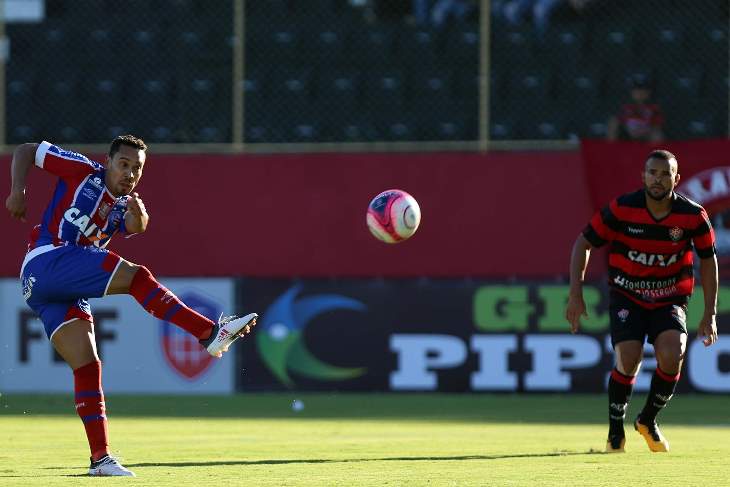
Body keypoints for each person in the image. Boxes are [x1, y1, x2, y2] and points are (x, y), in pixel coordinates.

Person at [5, 136, 258, 477]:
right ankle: (208, 333)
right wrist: (18, 190)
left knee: (87, 365)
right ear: (108, 162)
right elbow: (26, 150)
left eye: (137, 168)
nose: (129, 173)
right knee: (136, 277)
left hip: (51, 289)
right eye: (123, 164)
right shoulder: (82, 171)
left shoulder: (123, 205)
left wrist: (140, 218)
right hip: (48, 259)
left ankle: (100, 459)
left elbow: (136, 227)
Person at [565, 150, 719, 453]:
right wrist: (575, 294)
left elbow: (708, 260)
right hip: (628, 295)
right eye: (652, 173)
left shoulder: (692, 215)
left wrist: (709, 312)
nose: (657, 179)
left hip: (670, 297)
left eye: (665, 174)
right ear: (643, 176)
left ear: (676, 178)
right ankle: (615, 432)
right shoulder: (623, 208)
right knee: (628, 357)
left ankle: (647, 420)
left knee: (673, 354)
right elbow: (583, 243)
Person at [607, 75, 665, 142]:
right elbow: (620, 121)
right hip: (628, 133)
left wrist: (645, 130)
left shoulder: (654, 108)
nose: (640, 93)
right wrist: (628, 128)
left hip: (646, 134)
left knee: (657, 134)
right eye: (636, 90)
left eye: (643, 90)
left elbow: (657, 126)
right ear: (631, 92)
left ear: (648, 93)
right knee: (613, 122)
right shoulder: (625, 107)